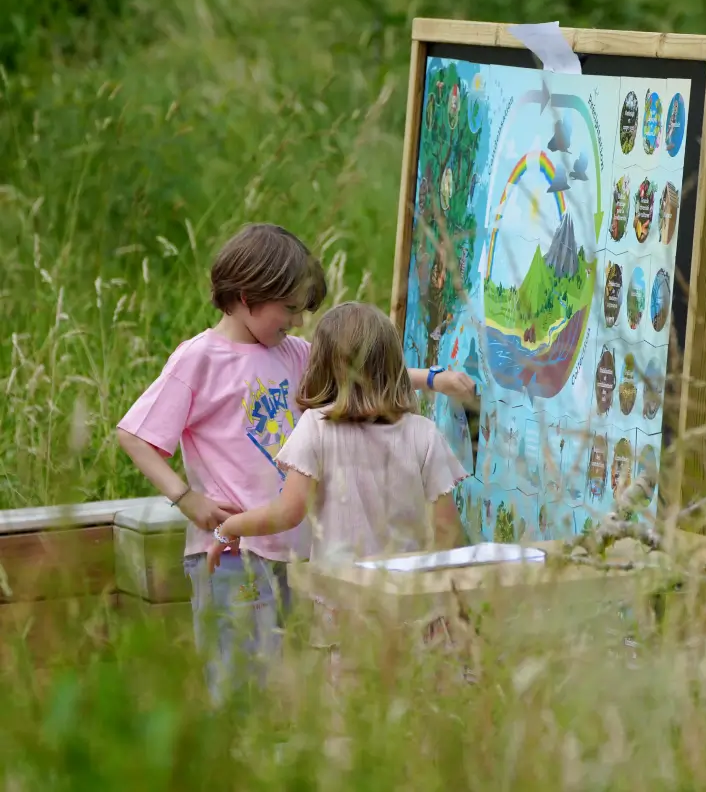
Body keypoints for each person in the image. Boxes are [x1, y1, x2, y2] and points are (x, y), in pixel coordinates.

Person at [116, 224, 474, 700]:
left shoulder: (290, 352)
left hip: (296, 553)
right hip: (232, 555)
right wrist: (186, 499)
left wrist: (432, 379)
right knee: (240, 686)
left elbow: (366, 373)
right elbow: (134, 435)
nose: (299, 321)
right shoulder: (198, 359)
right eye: (289, 309)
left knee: (289, 689)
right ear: (248, 297)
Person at [205, 302, 470, 658]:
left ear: (323, 367)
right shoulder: (424, 433)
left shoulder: (315, 427)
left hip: (343, 606)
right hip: (415, 606)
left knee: (347, 705)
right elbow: (447, 530)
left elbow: (289, 512)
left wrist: (230, 527)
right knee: (413, 704)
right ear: (394, 367)